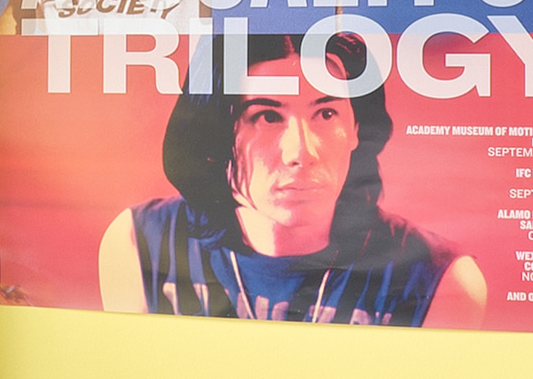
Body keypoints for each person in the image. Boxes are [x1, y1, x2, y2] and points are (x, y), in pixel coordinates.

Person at [100, 72, 488, 326]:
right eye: (267, 117)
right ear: (217, 132)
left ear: (356, 129)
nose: (300, 152)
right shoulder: (140, 244)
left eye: (326, 113)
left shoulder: (443, 282)